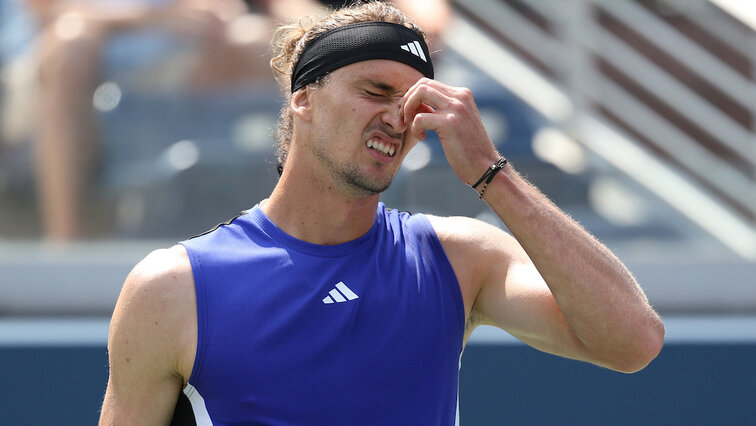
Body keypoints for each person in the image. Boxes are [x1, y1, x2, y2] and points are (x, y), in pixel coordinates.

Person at [99, 2, 665, 424]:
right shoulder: (170, 288)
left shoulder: (459, 258)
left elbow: (633, 341)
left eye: (415, 103)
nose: (399, 119)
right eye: (375, 90)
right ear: (304, 98)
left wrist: (492, 173)